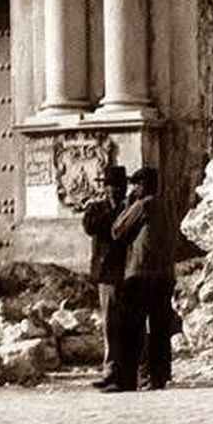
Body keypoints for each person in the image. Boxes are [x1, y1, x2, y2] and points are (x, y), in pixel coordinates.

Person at [106, 166, 177, 393]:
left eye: (136, 184)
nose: (133, 188)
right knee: (160, 327)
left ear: (143, 185)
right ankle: (160, 375)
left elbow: (117, 230)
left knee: (134, 327)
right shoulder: (169, 206)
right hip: (165, 274)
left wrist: (127, 205)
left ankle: (141, 376)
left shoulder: (143, 205)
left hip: (140, 274)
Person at [81, 165, 129, 389]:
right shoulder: (96, 208)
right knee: (109, 325)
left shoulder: (130, 207)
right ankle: (110, 370)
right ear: (105, 187)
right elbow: (91, 227)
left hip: (128, 273)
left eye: (119, 187)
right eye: (111, 186)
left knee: (126, 324)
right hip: (107, 274)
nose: (115, 191)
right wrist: (113, 212)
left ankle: (125, 372)